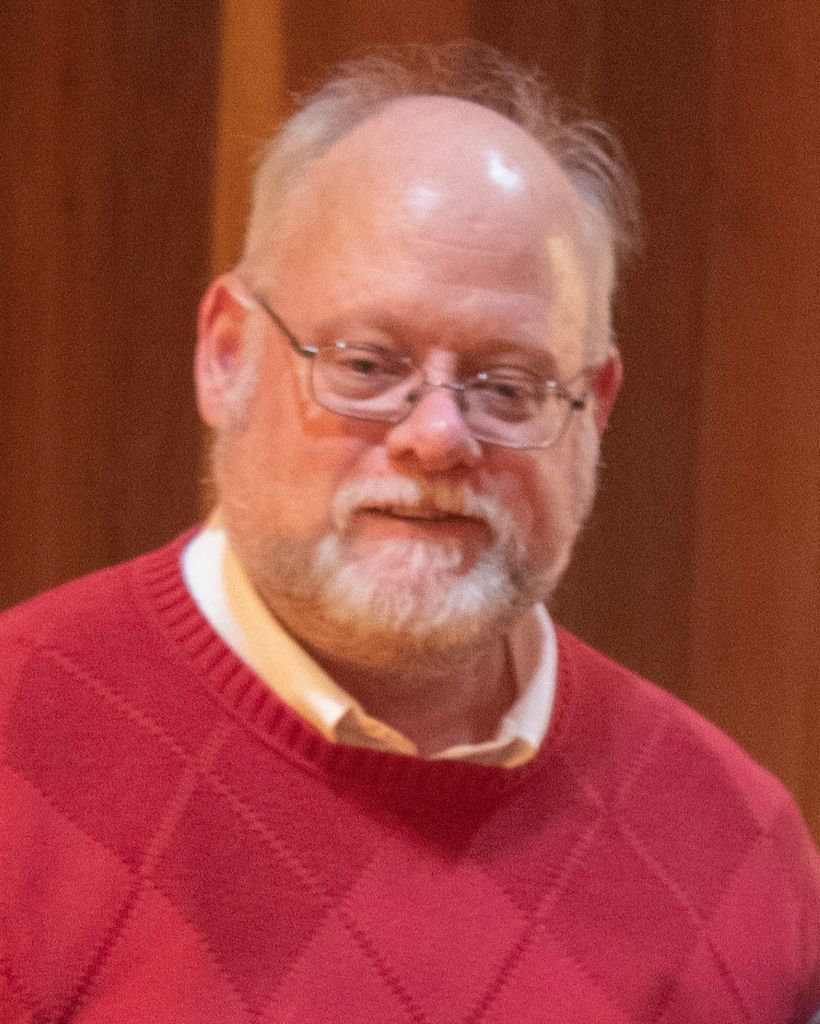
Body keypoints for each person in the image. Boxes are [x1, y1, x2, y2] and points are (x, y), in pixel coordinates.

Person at [1, 43, 818, 1024]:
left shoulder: (740, 855)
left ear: (594, 409)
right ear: (226, 355)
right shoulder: (17, 759)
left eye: (508, 385)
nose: (437, 437)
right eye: (367, 363)